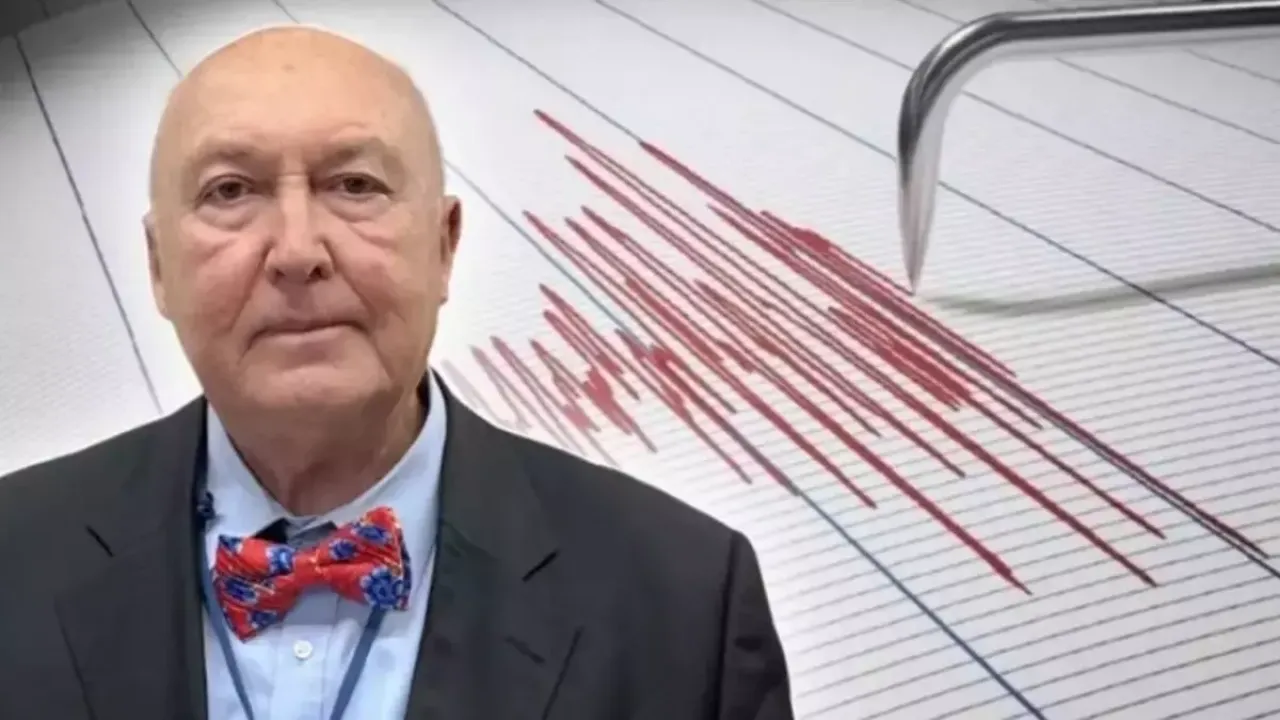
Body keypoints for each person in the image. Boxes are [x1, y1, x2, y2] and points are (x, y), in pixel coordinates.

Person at [0, 24, 793, 720]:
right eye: (231, 191)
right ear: (158, 267)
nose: (298, 252)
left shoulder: (685, 600)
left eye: (355, 185)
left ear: (444, 246)